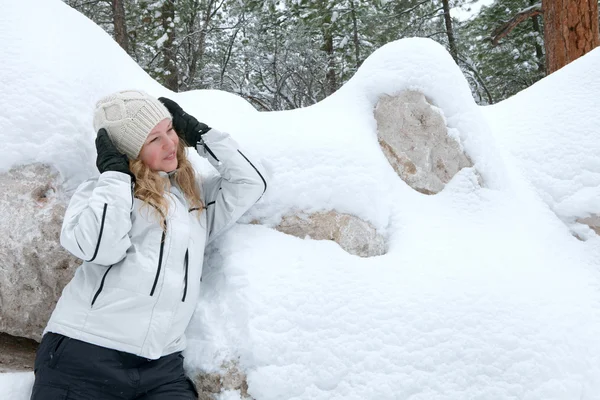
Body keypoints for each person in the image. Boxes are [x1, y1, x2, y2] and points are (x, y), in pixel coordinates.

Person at [30, 90, 267, 399]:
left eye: (171, 129)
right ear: (131, 150)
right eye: (154, 139)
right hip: (84, 355)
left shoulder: (192, 199)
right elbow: (100, 247)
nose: (171, 143)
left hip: (161, 366)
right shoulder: (100, 193)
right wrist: (115, 176)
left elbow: (250, 182)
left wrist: (199, 134)